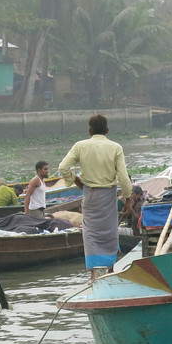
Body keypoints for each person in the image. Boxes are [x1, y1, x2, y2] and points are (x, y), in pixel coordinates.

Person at [58, 114, 133, 272]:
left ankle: (93, 274)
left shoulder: (80, 146)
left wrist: (76, 180)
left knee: (90, 232)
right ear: (107, 130)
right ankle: (110, 269)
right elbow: (124, 178)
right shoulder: (115, 147)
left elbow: (63, 168)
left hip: (90, 193)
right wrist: (128, 199)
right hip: (109, 195)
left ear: (90, 131)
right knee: (110, 232)